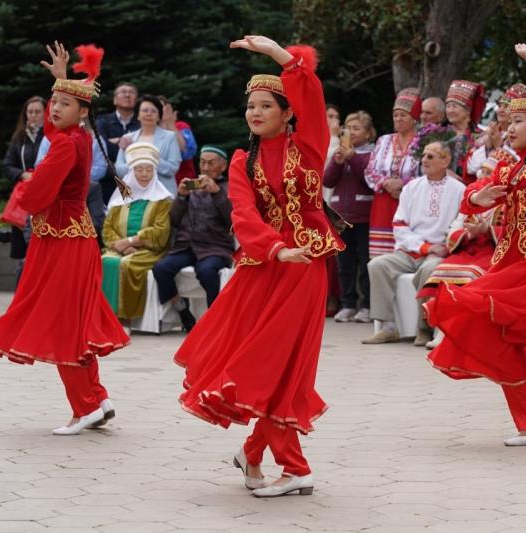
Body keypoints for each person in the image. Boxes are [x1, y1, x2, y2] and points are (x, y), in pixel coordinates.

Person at [174, 36, 344, 498]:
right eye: (251, 106)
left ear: (288, 113)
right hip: (264, 266)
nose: (255, 113)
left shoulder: (309, 145)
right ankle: (258, 456)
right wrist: (274, 248)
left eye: (266, 105)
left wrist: (278, 55)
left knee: (283, 364)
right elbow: (243, 214)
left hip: (305, 263)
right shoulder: (242, 161)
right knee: (259, 362)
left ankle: (292, 467)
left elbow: (309, 89)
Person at [426, 43, 526, 447]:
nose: (508, 129)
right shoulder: (514, 163)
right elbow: (477, 189)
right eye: (506, 122)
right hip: (511, 265)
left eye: (518, 122)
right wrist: (475, 198)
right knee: (509, 337)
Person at [0, 42, 128, 435]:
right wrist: (62, 80)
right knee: (73, 321)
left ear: (83, 113)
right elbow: (53, 130)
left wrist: (24, 192)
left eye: (64, 103)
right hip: (67, 239)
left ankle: (85, 407)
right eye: (53, 102)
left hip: (63, 242)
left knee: (62, 322)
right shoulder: (75, 137)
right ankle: (97, 399)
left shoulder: (66, 144)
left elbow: (39, 191)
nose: (54, 108)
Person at [362, 141, 465, 346]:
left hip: (440, 253)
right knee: (377, 265)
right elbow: (400, 225)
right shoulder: (412, 187)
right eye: (424, 155)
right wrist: (423, 247)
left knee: (430, 270)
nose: (424, 160)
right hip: (410, 251)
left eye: (430, 156)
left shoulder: (459, 190)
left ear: (446, 161)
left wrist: (444, 246)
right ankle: (388, 327)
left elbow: (460, 223)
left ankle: (424, 328)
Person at [417, 147, 519, 350]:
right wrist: (469, 233)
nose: (483, 176)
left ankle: (457, 331)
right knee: (440, 274)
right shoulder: (475, 196)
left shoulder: (511, 199)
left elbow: (515, 232)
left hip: (493, 254)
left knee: (471, 275)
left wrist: (487, 229)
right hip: (467, 251)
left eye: (490, 172)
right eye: (483, 171)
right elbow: (455, 227)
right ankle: (441, 329)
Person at [152, 146, 233, 331]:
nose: (205, 168)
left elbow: (232, 220)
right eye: (202, 162)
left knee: (206, 271)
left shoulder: (230, 188)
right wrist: (181, 196)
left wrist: (217, 193)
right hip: (186, 246)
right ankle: (181, 309)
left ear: (223, 166)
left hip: (215, 247)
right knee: (161, 268)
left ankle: (215, 319)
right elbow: (173, 220)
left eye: (211, 163)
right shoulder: (192, 187)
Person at [101, 142, 173, 324]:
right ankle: (102, 316)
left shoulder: (163, 200)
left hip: (149, 251)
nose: (144, 174)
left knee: (126, 265)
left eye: (148, 170)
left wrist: (131, 241)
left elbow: (161, 233)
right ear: (131, 172)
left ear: (154, 172)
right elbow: (108, 228)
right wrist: (122, 246)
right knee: (105, 261)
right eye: (139, 169)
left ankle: (124, 318)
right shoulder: (121, 198)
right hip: (120, 249)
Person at [324, 111, 376, 323]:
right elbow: (327, 181)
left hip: (363, 216)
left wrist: (352, 158)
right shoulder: (341, 153)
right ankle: (347, 304)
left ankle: (365, 305)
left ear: (368, 133)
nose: (351, 132)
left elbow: (369, 178)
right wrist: (337, 162)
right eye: (348, 127)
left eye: (357, 128)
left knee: (364, 262)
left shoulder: (371, 153)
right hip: (340, 217)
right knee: (344, 264)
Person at [365, 88, 422, 256]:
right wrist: (386, 183)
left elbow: (428, 173)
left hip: (410, 203)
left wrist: (404, 185)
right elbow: (369, 171)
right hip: (383, 203)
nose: (398, 119)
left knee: (406, 254)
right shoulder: (384, 140)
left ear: (414, 118)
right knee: (380, 258)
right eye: (395, 115)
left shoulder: (423, 140)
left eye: (403, 115)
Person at [3, 96, 45, 282]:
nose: (33, 116)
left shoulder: (51, 136)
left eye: (37, 112)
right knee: (23, 252)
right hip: (24, 197)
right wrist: (22, 174)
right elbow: (7, 165)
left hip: (45, 195)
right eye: (30, 112)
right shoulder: (19, 137)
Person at [115, 94, 182, 194]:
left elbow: (172, 168)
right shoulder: (128, 138)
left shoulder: (170, 137)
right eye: (145, 110)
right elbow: (119, 169)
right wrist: (136, 163)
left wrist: (151, 158)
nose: (149, 114)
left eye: (153, 111)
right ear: (138, 115)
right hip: (134, 194)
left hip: (163, 194)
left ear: (159, 116)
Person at [96, 82, 139, 203]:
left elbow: (142, 148)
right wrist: (123, 143)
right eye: (123, 92)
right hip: (108, 181)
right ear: (115, 100)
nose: (127, 95)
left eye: (131, 93)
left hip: (137, 179)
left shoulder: (141, 123)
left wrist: (115, 141)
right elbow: (101, 147)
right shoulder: (103, 121)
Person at [444, 79, 486, 181]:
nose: (450, 110)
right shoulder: (441, 133)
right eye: (448, 106)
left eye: (454, 106)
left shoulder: (480, 136)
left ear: (468, 111)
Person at [159, 96, 198, 184]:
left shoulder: (181, 126)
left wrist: (170, 124)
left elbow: (187, 152)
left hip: (185, 182)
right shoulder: (149, 131)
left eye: (161, 107)